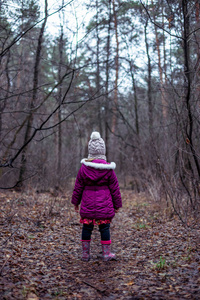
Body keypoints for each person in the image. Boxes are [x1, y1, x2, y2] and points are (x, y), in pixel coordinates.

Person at [71, 131, 122, 261]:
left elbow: (78, 187)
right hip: (104, 205)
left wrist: (76, 203)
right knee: (104, 227)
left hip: (88, 204)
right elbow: (115, 189)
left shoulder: (84, 168)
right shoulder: (108, 169)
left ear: (90, 152)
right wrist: (117, 205)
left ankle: (85, 254)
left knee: (87, 227)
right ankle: (106, 254)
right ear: (103, 151)